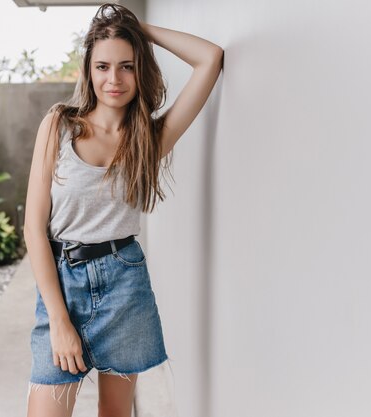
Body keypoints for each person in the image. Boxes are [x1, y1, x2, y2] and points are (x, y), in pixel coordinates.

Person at [24, 3, 223, 417]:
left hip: (124, 285)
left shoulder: (149, 139)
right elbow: (33, 229)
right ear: (88, 70)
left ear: (140, 70)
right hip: (63, 284)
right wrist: (60, 321)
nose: (113, 79)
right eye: (102, 66)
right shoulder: (59, 125)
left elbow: (210, 58)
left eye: (126, 66)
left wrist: (136, 28)